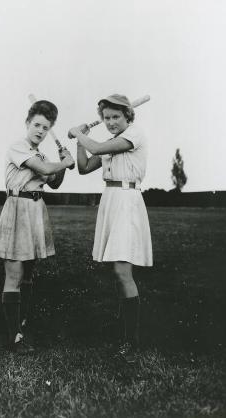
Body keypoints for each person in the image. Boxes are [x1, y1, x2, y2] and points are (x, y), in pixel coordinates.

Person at [68, 94, 153, 359]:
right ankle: (124, 330)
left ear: (128, 116)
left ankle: (132, 341)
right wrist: (80, 142)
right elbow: (83, 167)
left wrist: (77, 133)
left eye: (116, 117)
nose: (111, 122)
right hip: (110, 201)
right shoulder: (108, 142)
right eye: (106, 118)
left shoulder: (135, 135)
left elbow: (97, 148)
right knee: (116, 270)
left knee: (122, 269)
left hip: (128, 201)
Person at [0, 100, 74, 353]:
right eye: (37, 125)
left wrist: (63, 163)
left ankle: (21, 324)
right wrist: (64, 164)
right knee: (15, 274)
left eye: (45, 127)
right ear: (27, 123)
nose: (40, 130)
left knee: (29, 272)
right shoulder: (19, 147)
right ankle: (14, 338)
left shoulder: (41, 153)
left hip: (36, 210)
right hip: (18, 208)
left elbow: (54, 182)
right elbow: (44, 169)